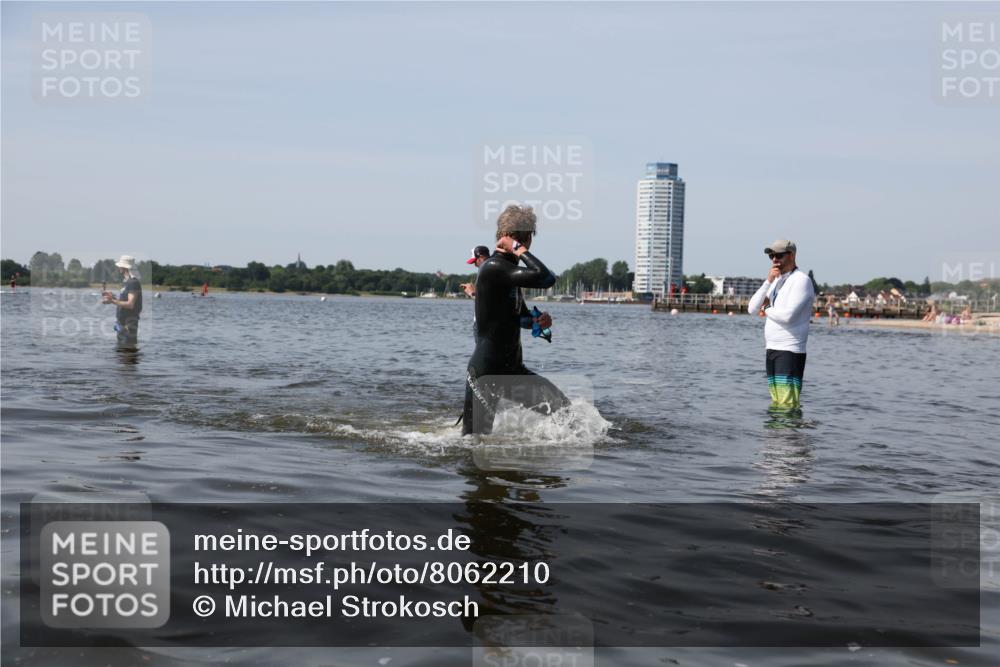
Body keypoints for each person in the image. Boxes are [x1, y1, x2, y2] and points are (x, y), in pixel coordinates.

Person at [461, 205, 569, 435]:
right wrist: (519, 249)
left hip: (513, 371)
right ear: (526, 238)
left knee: (565, 413)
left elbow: (520, 318)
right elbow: (546, 277)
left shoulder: (507, 271)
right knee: (473, 447)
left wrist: (536, 320)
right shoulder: (493, 268)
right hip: (486, 374)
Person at [747, 240, 815, 410]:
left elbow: (788, 317)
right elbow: (752, 308)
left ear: (791, 255)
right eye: (772, 256)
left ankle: (790, 436)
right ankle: (774, 437)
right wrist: (768, 281)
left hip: (790, 350)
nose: (774, 259)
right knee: (776, 403)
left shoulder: (801, 280)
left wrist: (767, 307)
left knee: (787, 404)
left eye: (779, 255)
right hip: (772, 349)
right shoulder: (776, 282)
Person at [102, 255, 143, 348]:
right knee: (121, 357)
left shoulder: (133, 283)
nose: (118, 267)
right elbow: (124, 301)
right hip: (122, 325)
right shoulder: (126, 282)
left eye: (120, 265)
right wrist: (112, 298)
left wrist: (112, 301)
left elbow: (130, 304)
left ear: (124, 267)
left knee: (127, 357)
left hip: (129, 326)